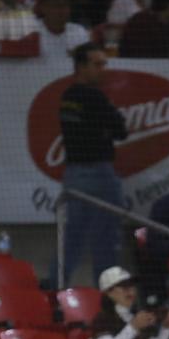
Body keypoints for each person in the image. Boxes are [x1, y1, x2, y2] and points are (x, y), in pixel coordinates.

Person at [56, 43, 127, 286]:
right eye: (97, 64)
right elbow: (120, 129)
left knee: (72, 239)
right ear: (81, 67)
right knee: (105, 238)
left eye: (104, 64)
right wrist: (106, 129)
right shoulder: (94, 97)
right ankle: (109, 292)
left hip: (74, 174)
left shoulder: (68, 98)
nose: (102, 69)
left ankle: (56, 287)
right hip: (98, 173)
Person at [92, 267, 169, 339]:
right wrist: (133, 327)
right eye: (124, 286)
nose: (130, 290)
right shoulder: (102, 319)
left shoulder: (138, 315)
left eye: (132, 285)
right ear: (109, 292)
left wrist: (167, 328)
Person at [34, 0, 91, 67]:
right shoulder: (30, 30)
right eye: (56, 6)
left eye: (65, 5)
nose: (62, 10)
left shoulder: (79, 31)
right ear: (43, 8)